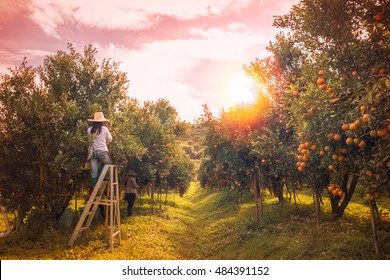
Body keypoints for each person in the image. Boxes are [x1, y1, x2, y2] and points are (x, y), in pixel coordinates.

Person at [87, 112, 112, 187]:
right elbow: (110, 140)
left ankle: (95, 188)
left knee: (94, 171)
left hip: (92, 153)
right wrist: (109, 133)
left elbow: (89, 141)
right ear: (102, 121)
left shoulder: (89, 129)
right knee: (107, 164)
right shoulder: (104, 129)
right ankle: (103, 179)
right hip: (102, 152)